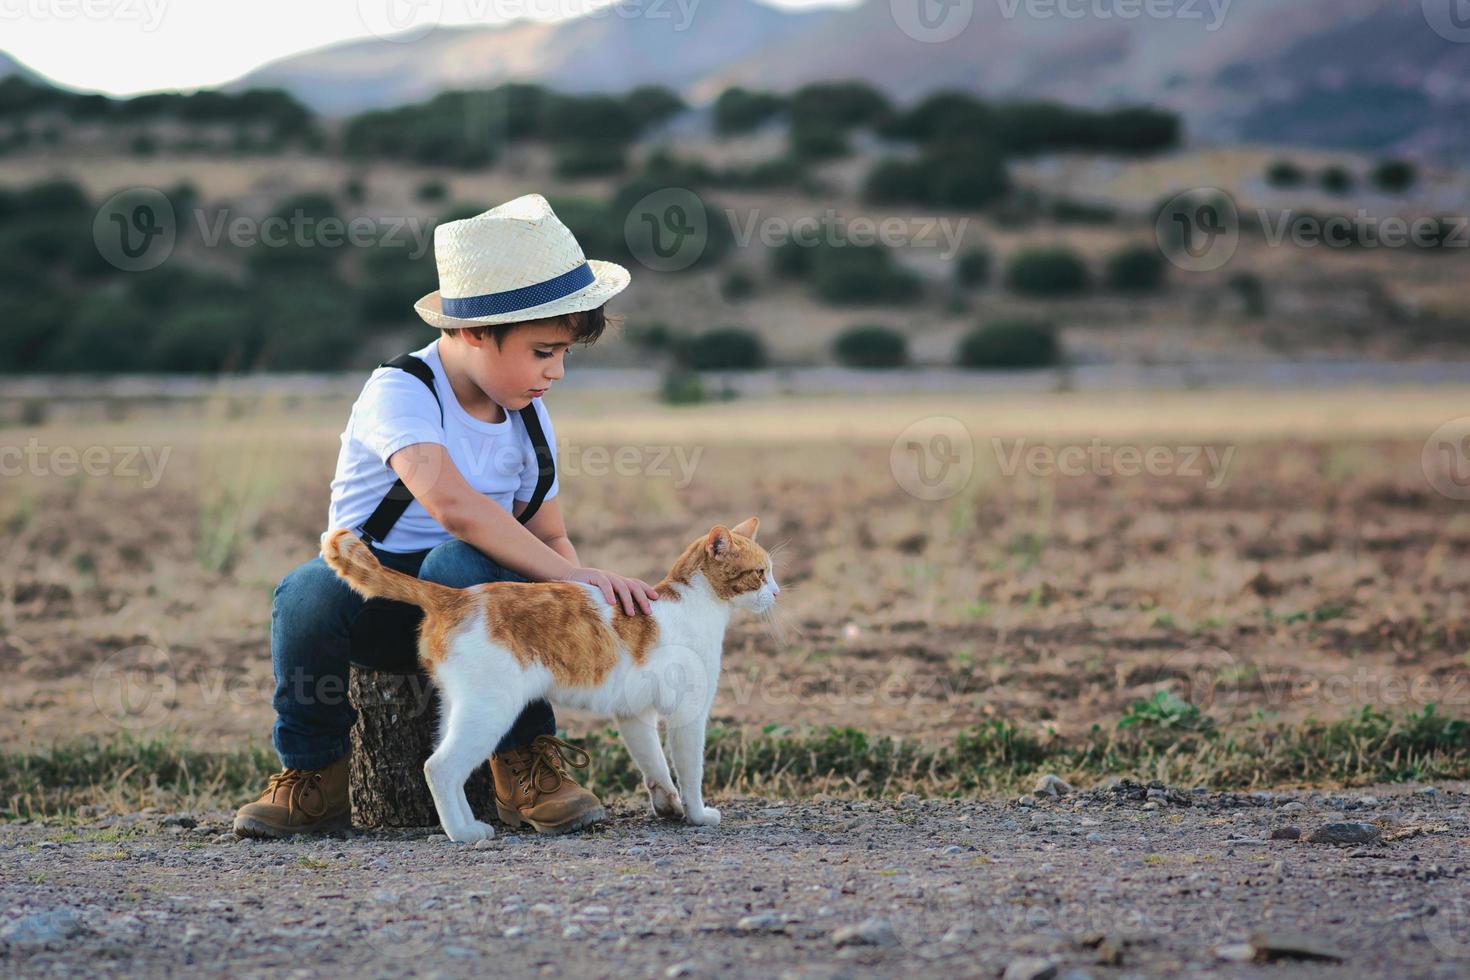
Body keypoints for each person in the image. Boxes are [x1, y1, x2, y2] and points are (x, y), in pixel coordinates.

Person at [233, 193, 658, 838]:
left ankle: (525, 762)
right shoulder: (400, 390)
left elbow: (549, 534)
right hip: (383, 608)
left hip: (483, 618)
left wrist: (574, 600)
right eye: (543, 352)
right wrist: (583, 579)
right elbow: (454, 508)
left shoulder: (528, 416)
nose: (557, 372)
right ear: (474, 331)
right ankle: (313, 776)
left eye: (564, 354)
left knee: (466, 566)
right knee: (307, 592)